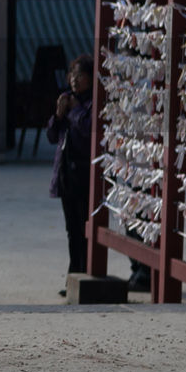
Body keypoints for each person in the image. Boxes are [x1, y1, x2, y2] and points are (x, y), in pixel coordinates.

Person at [44, 54, 149, 294]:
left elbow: (90, 131)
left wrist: (74, 110)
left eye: (80, 76)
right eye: (73, 75)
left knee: (84, 229)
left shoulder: (94, 103)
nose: (74, 80)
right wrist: (59, 115)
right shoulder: (68, 100)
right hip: (65, 175)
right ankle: (73, 276)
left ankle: (85, 272)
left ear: (92, 79)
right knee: (72, 231)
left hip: (84, 175)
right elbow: (52, 135)